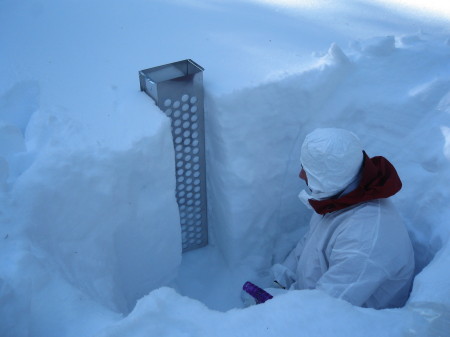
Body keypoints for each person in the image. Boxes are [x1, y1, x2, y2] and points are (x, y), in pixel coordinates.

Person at [271, 128, 415, 309]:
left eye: (307, 170)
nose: (301, 175)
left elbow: (325, 308)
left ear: (328, 178)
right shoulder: (339, 198)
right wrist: (279, 283)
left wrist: (274, 309)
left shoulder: (365, 236)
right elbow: (307, 245)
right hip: (301, 303)